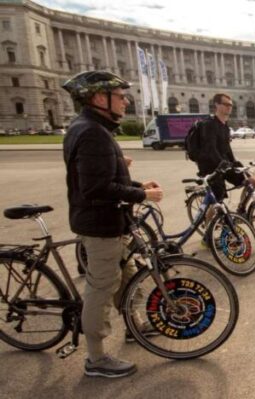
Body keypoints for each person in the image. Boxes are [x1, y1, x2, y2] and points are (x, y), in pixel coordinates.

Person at [62, 71, 164, 378]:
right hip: (101, 224)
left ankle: (134, 325)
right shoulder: (92, 132)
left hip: (109, 222)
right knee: (101, 288)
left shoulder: (92, 128)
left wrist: (133, 182)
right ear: (98, 98)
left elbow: (100, 177)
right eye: (120, 96)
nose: (125, 101)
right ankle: (96, 358)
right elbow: (97, 189)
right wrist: (142, 194)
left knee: (128, 276)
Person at [194, 93, 255, 206]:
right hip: (211, 169)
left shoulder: (225, 126)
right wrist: (225, 166)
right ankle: (211, 223)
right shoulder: (209, 124)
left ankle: (241, 209)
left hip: (224, 166)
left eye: (231, 105)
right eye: (226, 104)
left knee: (251, 181)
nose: (229, 107)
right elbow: (211, 150)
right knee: (218, 204)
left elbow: (227, 150)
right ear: (217, 105)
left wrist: (239, 166)